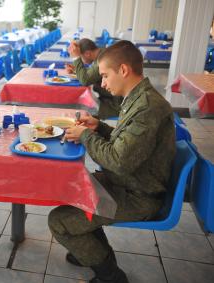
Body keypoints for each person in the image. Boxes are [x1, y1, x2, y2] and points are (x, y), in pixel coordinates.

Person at [48, 41, 176, 283]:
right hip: (132, 182)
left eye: (105, 75)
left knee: (59, 221)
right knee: (73, 189)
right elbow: (127, 144)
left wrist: (85, 136)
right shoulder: (138, 97)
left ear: (124, 70)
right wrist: (100, 127)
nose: (103, 83)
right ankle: (89, 249)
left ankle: (110, 275)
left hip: (138, 195)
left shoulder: (148, 108)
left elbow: (118, 160)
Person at [66, 38, 123, 119]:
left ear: (88, 53)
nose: (82, 61)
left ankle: (91, 128)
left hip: (115, 105)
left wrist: (76, 59)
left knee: (82, 106)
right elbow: (93, 73)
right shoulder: (103, 53)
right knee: (85, 102)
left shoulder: (102, 59)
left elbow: (85, 80)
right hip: (111, 98)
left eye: (81, 57)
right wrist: (76, 70)